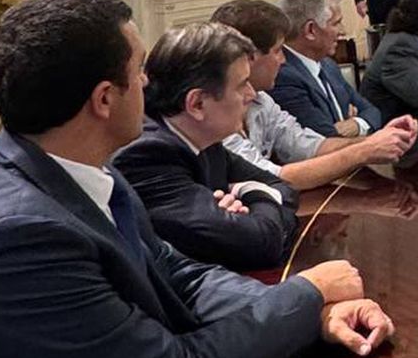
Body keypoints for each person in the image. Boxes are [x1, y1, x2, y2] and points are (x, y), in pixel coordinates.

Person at [0, 0, 392, 358]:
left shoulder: (81, 167)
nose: (150, 84)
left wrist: (317, 313)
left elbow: (178, 275)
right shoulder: (18, 238)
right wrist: (306, 294)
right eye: (139, 71)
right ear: (105, 99)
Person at [112, 22, 299, 271]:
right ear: (197, 103)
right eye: (242, 84)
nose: (252, 94)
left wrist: (247, 199)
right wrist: (256, 195)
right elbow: (258, 244)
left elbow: (283, 189)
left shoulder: (204, 138)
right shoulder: (147, 156)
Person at [211, 0, 418, 189]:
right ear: (248, 59)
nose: (283, 60)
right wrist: (364, 151)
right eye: (277, 51)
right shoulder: (213, 112)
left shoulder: (262, 99)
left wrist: (380, 140)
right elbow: (272, 178)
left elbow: (307, 146)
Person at [272, 0, 384, 138]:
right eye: (336, 23)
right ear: (310, 30)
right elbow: (326, 138)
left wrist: (356, 124)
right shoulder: (283, 77)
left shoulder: (327, 65)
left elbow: (373, 112)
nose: (343, 31)